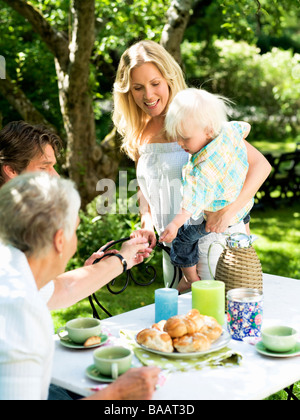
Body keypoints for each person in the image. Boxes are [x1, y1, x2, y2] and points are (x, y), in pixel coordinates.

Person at [112, 40, 272, 287]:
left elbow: (260, 165)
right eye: (137, 87)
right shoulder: (139, 134)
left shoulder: (194, 123)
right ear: (127, 91)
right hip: (175, 252)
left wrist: (228, 212)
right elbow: (147, 187)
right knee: (185, 324)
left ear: (169, 78)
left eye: (155, 83)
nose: (148, 95)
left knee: (219, 316)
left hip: (214, 241)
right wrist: (146, 222)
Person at [0, 172, 160, 400]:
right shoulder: (21, 313)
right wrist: (117, 394)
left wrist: (123, 259)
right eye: (74, 230)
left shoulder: (12, 266)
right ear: (59, 240)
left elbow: (63, 288)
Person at [159, 88, 255, 292]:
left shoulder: (202, 168)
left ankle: (190, 279)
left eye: (185, 138)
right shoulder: (228, 132)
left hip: (216, 219)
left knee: (182, 241)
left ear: (208, 130)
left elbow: (190, 204)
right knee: (244, 215)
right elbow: (243, 128)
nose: (180, 143)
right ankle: (247, 242)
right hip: (242, 208)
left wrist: (175, 225)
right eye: (177, 137)